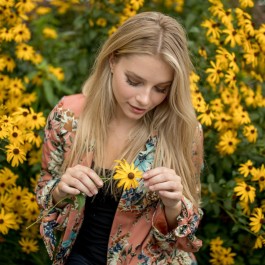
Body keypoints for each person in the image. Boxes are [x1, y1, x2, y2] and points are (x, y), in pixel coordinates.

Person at [36, 11, 204, 265]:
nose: (145, 99)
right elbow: (44, 194)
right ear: (113, 61)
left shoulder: (184, 131)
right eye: (134, 81)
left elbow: (186, 233)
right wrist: (60, 190)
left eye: (161, 88)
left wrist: (173, 206)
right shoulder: (68, 117)